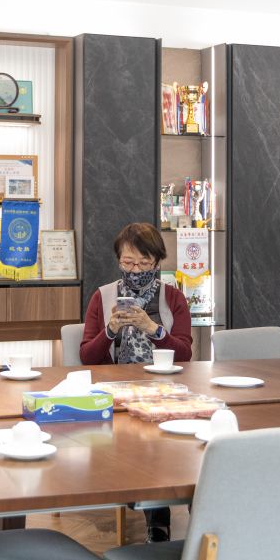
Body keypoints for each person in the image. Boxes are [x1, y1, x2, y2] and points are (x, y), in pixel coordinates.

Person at [79, 222, 193, 543]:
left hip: (165, 389)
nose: (136, 270)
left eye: (144, 263)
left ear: (157, 262)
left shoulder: (173, 298)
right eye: (128, 262)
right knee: (143, 436)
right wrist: (110, 330)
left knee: (171, 436)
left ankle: (195, 513)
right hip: (117, 392)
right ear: (119, 261)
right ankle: (158, 522)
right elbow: (87, 356)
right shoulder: (103, 296)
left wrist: (153, 328)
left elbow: (185, 354)